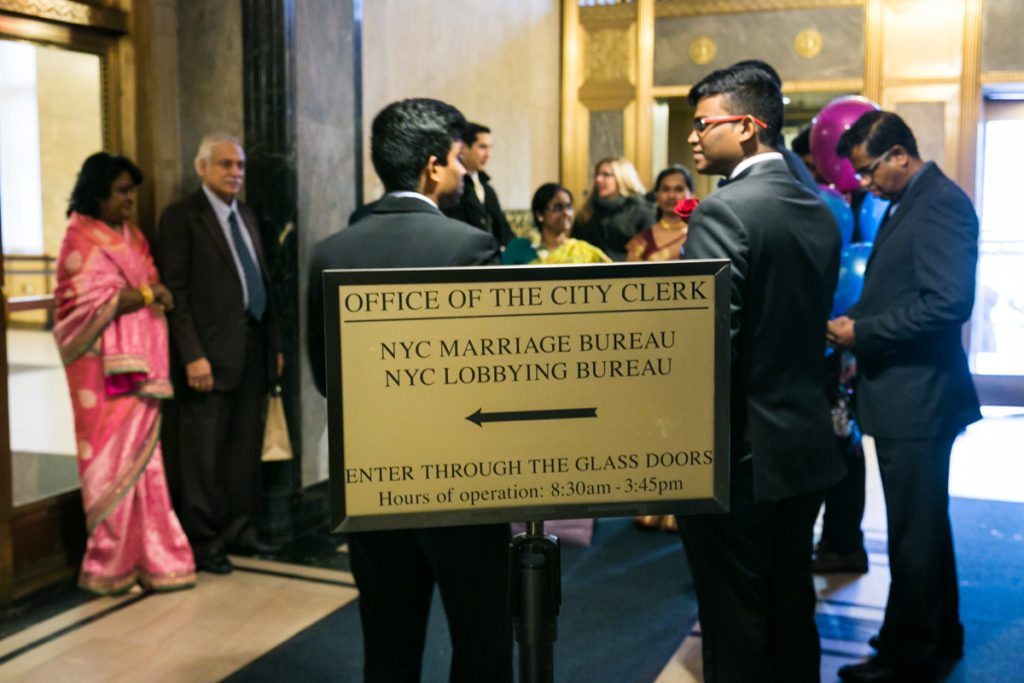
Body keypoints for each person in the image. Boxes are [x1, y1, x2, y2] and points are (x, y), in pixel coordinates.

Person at [307, 98, 512, 683]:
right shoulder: (467, 247)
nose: (464, 170)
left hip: (370, 480)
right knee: (480, 640)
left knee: (389, 646)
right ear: (431, 166)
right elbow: (494, 373)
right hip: (462, 480)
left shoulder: (329, 252)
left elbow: (327, 379)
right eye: (456, 158)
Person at [677, 65, 844, 682]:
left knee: (735, 617)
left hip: (742, 455)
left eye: (703, 124)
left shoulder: (726, 211)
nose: (692, 138)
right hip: (804, 444)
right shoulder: (819, 209)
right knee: (791, 604)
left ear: (747, 127)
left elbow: (708, 348)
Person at [829, 111, 980, 682]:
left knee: (912, 534)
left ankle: (906, 656)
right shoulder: (910, 199)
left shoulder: (938, 202)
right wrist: (857, 328)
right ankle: (939, 638)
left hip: (918, 399)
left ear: (899, 154)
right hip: (906, 393)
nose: (865, 183)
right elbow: (897, 287)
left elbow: (947, 303)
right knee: (926, 529)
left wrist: (861, 334)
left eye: (869, 171)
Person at [53, 152, 195, 595]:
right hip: (101, 375)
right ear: (98, 192)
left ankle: (154, 558)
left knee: (146, 466)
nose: (130, 200)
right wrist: (150, 293)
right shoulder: (80, 240)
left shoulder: (131, 237)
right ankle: (108, 565)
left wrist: (149, 294)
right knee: (110, 468)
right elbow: (83, 305)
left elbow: (145, 288)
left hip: (141, 370)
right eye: (122, 191)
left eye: (132, 191)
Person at [155, 133, 283, 575]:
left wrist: (274, 347)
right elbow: (177, 292)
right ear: (202, 167)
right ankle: (204, 540)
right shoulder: (181, 218)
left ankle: (239, 532)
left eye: (240, 166)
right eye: (226, 164)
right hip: (207, 358)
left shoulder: (245, 215)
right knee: (203, 457)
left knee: (242, 452)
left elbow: (263, 284)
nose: (235, 173)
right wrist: (192, 354)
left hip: (251, 351)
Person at [442, 122, 513, 245]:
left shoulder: (486, 188)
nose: (488, 155)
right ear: (463, 148)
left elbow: (504, 230)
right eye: (482, 147)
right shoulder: (452, 187)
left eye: (489, 148)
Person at [503, 182, 609, 265]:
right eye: (557, 207)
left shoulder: (583, 251)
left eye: (569, 207)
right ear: (540, 214)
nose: (566, 213)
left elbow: (615, 277)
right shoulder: (519, 248)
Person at [572, 156, 654, 261]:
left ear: (622, 177)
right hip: (591, 273)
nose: (598, 179)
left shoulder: (640, 211)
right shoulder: (587, 210)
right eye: (597, 174)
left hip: (627, 273)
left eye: (606, 175)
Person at [626, 164, 697, 264]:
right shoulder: (641, 241)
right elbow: (631, 277)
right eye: (665, 189)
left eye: (678, 189)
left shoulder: (699, 235)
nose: (671, 196)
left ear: (692, 195)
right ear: (656, 195)